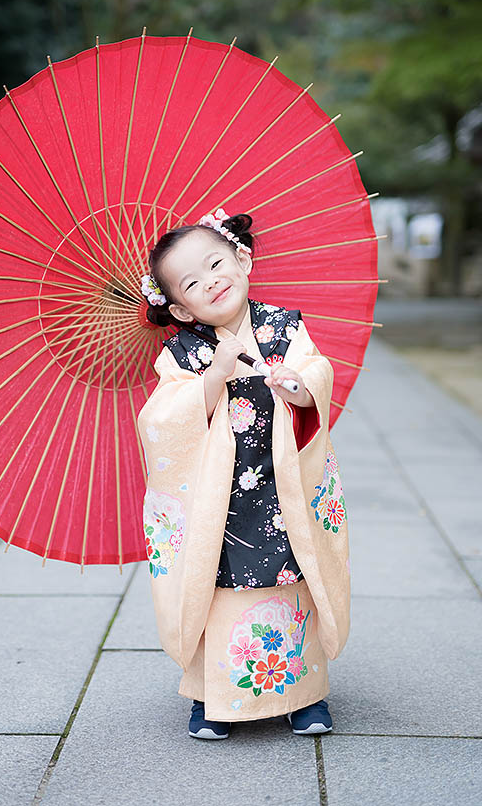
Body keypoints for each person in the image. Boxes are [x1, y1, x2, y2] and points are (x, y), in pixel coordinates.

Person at [136, 209, 350, 740]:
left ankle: (304, 696)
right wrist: (214, 375)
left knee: (292, 573)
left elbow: (317, 376)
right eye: (189, 283)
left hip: (282, 489)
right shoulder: (183, 354)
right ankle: (210, 695)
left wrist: (297, 385)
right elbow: (162, 421)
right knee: (213, 584)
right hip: (218, 498)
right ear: (179, 308)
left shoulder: (284, 327)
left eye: (215, 264)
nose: (209, 281)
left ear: (243, 258)